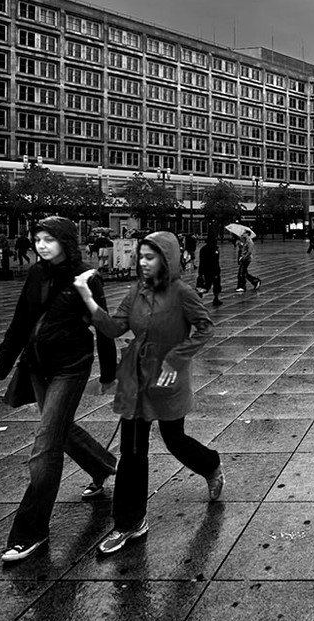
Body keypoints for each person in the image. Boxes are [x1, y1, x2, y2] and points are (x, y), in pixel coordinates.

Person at [74, 231, 222, 555]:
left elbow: (206, 327)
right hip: (136, 382)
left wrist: (175, 357)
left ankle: (210, 464)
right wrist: (87, 298)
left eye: (149, 257)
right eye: (139, 256)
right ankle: (130, 523)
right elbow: (115, 328)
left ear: (166, 259)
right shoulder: (136, 292)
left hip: (168, 380)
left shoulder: (182, 293)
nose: (142, 262)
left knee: (174, 439)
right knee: (133, 451)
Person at [0, 216, 118, 563]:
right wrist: (1, 366)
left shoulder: (86, 276)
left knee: (46, 444)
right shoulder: (35, 273)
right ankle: (104, 466)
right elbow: (21, 320)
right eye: (37, 239)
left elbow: (103, 325)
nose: (41, 245)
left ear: (66, 241)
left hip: (70, 366)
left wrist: (109, 372)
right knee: (59, 429)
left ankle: (30, 532)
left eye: (49, 239)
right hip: (36, 366)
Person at [197, 236, 223, 305]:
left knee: (207, 284)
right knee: (216, 285)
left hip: (205, 270)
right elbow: (215, 261)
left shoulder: (203, 249)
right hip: (213, 270)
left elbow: (201, 261)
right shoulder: (215, 249)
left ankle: (200, 293)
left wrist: (200, 272)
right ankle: (216, 298)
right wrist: (217, 271)